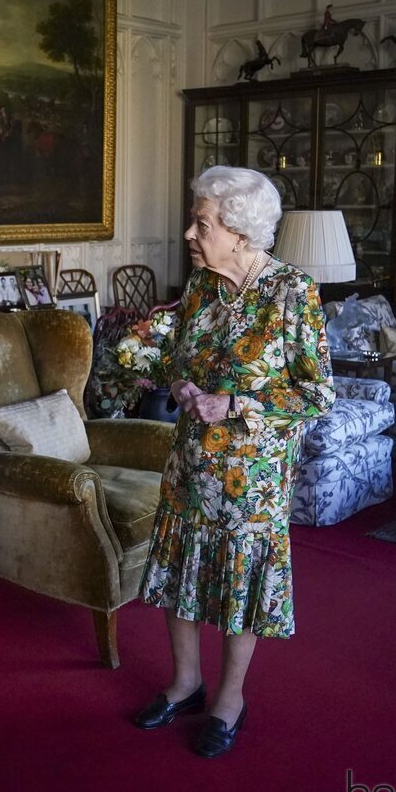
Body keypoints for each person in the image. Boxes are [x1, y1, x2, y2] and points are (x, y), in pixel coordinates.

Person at [132, 166, 334, 758]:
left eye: (202, 223)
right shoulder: (201, 287)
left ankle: (229, 699)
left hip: (253, 478)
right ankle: (185, 683)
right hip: (191, 467)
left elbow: (318, 393)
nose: (191, 235)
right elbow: (180, 360)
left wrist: (238, 402)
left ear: (241, 232)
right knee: (180, 577)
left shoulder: (292, 292)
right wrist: (183, 387)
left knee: (240, 587)